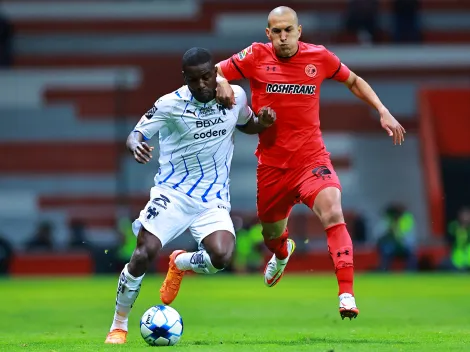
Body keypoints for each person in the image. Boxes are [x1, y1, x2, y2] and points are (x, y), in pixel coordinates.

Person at [215, 6, 406, 320]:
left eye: (288, 30)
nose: (283, 37)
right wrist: (222, 82)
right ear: (268, 34)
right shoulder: (254, 56)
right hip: (273, 167)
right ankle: (281, 251)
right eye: (276, 31)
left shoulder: (319, 56)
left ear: (299, 30)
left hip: (311, 159)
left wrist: (382, 110)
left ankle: (346, 293)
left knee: (333, 211)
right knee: (271, 233)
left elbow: (353, 80)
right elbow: (217, 71)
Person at [105, 47, 275, 344]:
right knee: (144, 252)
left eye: (207, 77)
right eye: (194, 79)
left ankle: (181, 262)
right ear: (185, 78)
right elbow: (136, 135)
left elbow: (247, 123)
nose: (201, 85)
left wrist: (265, 122)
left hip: (213, 199)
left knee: (222, 256)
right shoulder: (170, 104)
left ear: (215, 74)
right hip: (173, 194)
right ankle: (118, 324)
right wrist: (136, 147)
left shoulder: (234, 96)